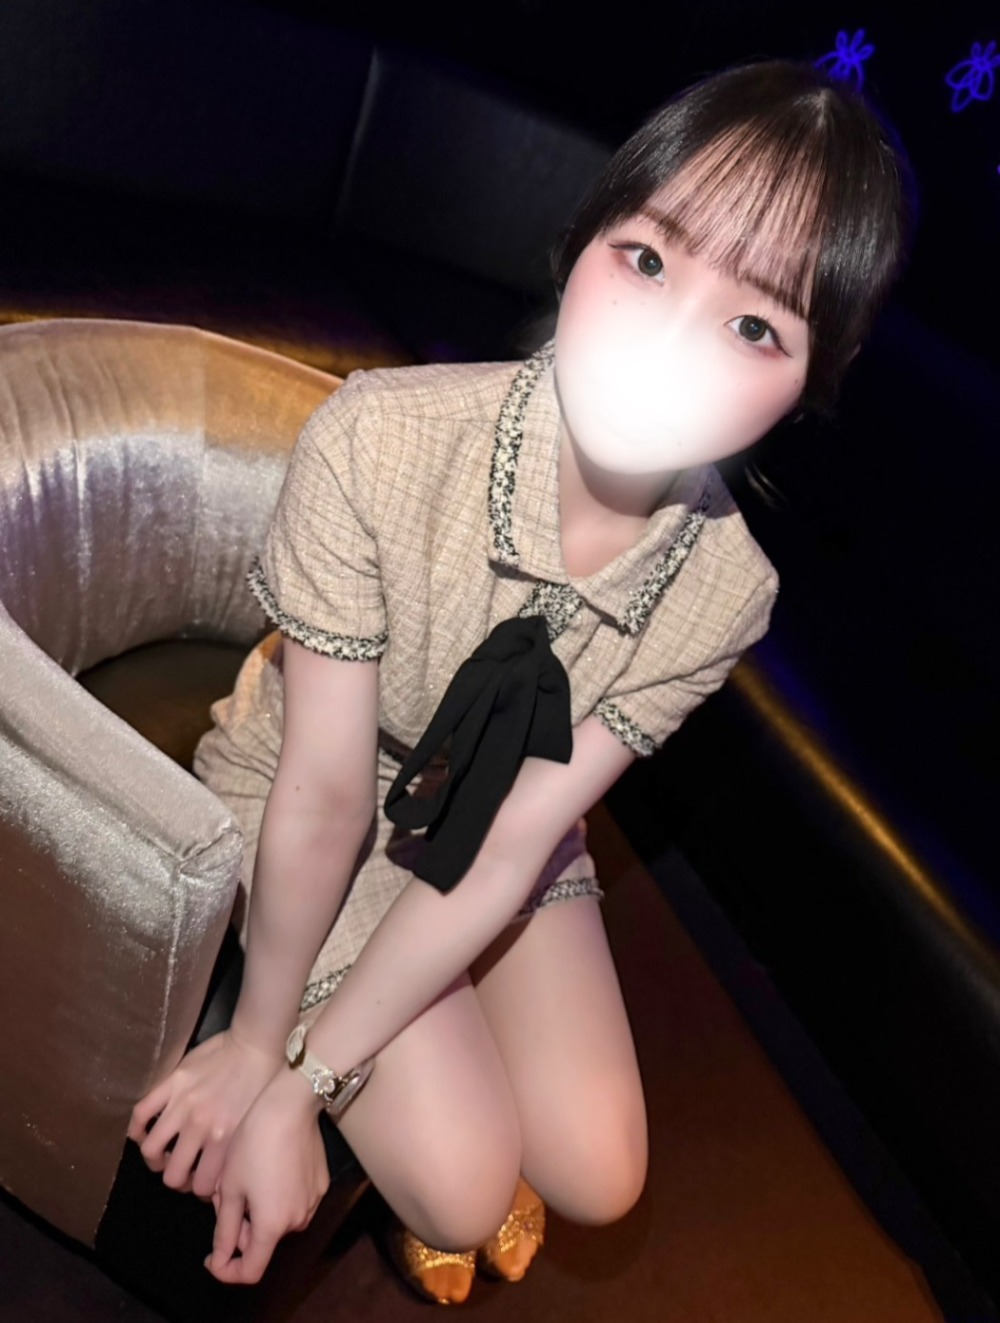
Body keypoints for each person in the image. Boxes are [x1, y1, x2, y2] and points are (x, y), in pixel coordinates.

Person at [128, 58, 909, 1306]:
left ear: (803, 390)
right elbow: (326, 793)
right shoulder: (382, 438)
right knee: (460, 1185)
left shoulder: (724, 589)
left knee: (600, 1176)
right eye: (647, 260)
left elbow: (507, 846)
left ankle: (437, 1084)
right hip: (324, 788)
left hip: (505, 829)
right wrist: (264, 1057)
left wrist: (309, 1087)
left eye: (756, 326)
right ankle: (428, 1139)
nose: (669, 339)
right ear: (582, 241)